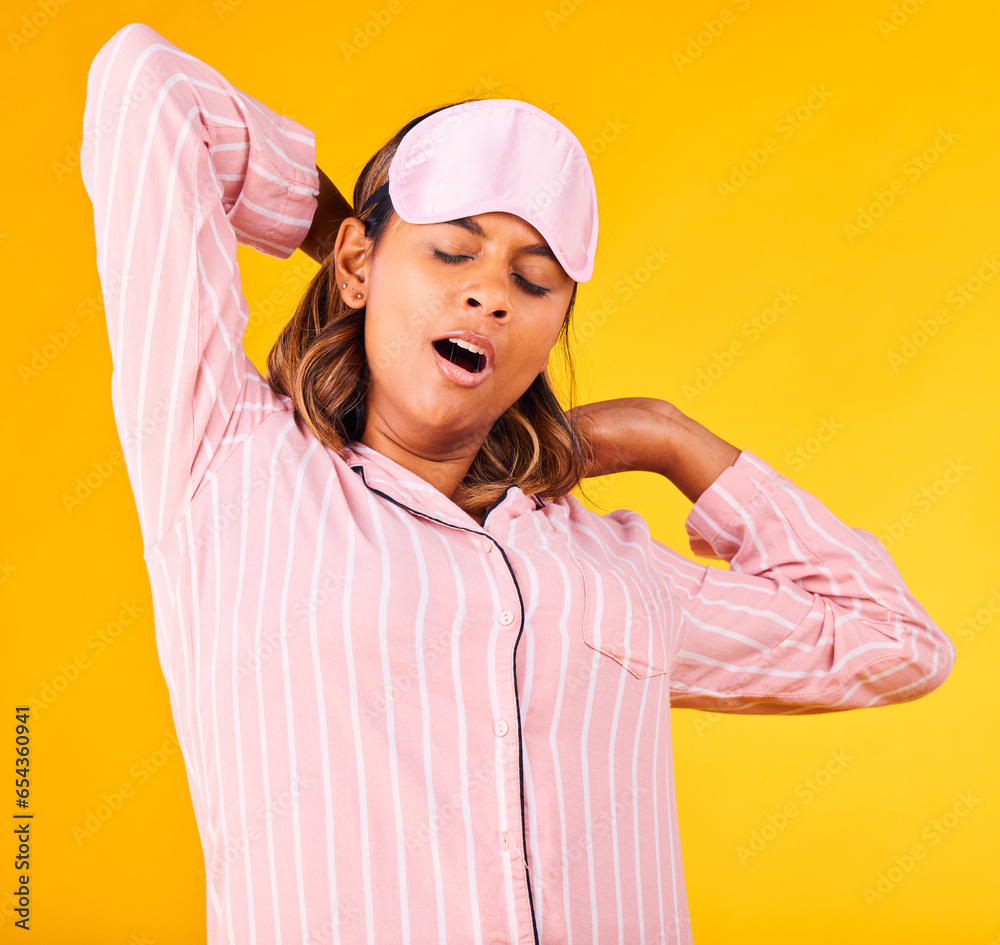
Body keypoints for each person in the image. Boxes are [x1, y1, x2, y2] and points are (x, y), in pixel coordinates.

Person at [81, 22, 955, 945]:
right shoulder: (232, 462)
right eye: (451, 253)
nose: (490, 293)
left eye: (532, 280)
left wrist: (666, 436)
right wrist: (345, 231)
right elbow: (146, 86)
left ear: (550, 328)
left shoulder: (606, 566)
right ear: (357, 265)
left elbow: (895, 640)